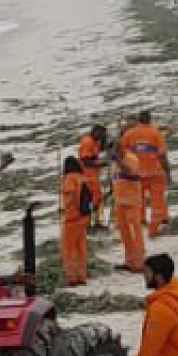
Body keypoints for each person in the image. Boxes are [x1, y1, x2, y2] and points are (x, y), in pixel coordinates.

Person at [117, 105, 171, 237]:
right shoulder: (155, 133)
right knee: (157, 200)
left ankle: (140, 224)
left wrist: (124, 167)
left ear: (138, 120)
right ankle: (154, 229)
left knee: (138, 200)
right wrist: (168, 171)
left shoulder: (129, 134)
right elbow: (162, 155)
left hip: (136, 173)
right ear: (150, 120)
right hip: (155, 173)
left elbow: (119, 152)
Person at [58, 152, 94, 287]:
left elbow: (70, 197)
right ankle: (82, 276)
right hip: (84, 217)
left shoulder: (69, 179)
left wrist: (65, 208)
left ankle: (71, 277)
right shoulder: (82, 178)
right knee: (81, 248)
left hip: (72, 218)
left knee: (68, 248)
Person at [75, 122, 110, 225]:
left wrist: (105, 141)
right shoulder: (87, 142)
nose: (102, 136)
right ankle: (95, 220)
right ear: (96, 132)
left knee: (96, 198)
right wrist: (101, 164)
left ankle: (95, 219)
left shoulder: (95, 141)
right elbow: (86, 161)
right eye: (102, 134)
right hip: (87, 176)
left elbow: (100, 149)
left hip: (93, 176)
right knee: (96, 198)